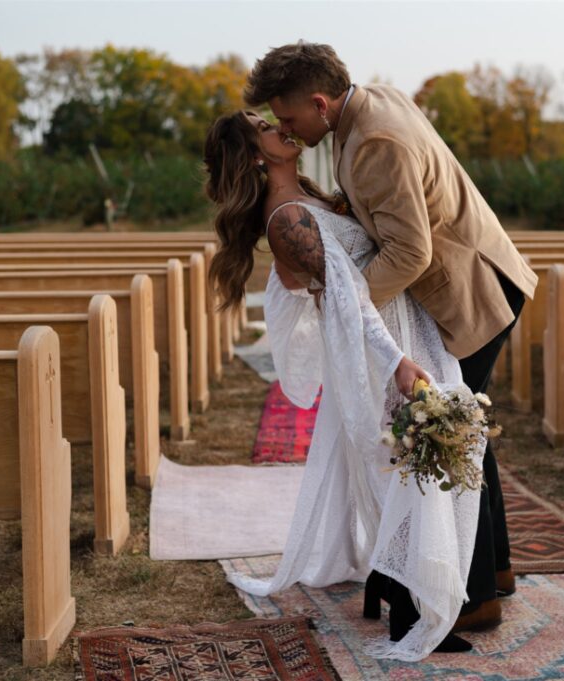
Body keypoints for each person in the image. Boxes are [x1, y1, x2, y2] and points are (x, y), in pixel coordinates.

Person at [242, 42, 538, 634]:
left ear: (321, 103)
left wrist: (350, 313)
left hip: (470, 292)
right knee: (466, 427)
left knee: (447, 433)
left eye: (291, 116)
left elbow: (410, 252)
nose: (285, 126)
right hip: (478, 275)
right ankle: (496, 568)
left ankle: (475, 597)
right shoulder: (368, 105)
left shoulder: (375, 139)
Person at [204, 110, 484, 660]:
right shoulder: (286, 218)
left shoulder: (310, 196)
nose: (279, 125)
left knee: (411, 463)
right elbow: (346, 299)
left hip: (401, 325)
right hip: (378, 346)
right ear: (256, 155)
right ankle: (411, 615)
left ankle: (390, 581)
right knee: (409, 467)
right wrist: (397, 362)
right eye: (264, 126)